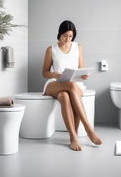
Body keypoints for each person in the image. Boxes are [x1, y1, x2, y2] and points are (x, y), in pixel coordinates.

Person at [42, 20, 102, 151]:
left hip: (74, 84)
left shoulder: (78, 47)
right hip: (55, 83)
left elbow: (80, 68)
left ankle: (73, 136)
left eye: (70, 36)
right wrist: (54, 75)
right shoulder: (51, 49)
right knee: (71, 86)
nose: (68, 39)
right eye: (65, 36)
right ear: (59, 34)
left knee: (64, 95)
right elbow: (44, 72)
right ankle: (88, 128)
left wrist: (84, 75)